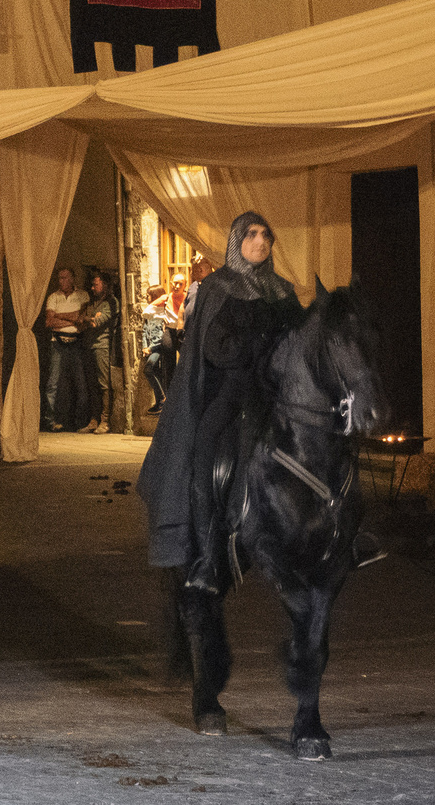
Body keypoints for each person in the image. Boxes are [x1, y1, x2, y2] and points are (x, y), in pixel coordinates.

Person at [139, 212, 302, 595]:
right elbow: (214, 348)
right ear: (236, 241)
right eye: (252, 234)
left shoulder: (284, 292)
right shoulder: (216, 289)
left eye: (266, 235)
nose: (261, 241)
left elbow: (299, 340)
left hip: (275, 391)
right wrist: (259, 343)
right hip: (229, 389)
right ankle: (208, 557)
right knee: (202, 454)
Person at [41, 267, 89, 432]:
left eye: (65, 278)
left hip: (76, 342)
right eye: (60, 278)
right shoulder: (53, 297)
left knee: (80, 381)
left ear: (73, 279)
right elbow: (49, 322)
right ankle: (50, 420)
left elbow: (82, 320)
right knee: (53, 382)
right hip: (57, 342)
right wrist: (73, 320)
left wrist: (60, 316)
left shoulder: (82, 295)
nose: (62, 281)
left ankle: (80, 421)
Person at [80, 272, 120, 434]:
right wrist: (86, 319)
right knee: (92, 384)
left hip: (102, 346)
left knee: (104, 384)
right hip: (89, 346)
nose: (92, 288)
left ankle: (105, 420)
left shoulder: (111, 303)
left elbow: (97, 322)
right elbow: (80, 320)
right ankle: (93, 419)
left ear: (104, 285)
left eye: (96, 284)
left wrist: (87, 319)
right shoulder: (92, 303)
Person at [140, 284, 173, 415]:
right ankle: (160, 401)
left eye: (149, 295)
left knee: (149, 369)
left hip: (158, 348)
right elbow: (144, 330)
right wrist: (144, 346)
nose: (147, 298)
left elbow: (161, 335)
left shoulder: (162, 313)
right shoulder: (150, 313)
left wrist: (151, 348)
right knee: (156, 372)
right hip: (149, 348)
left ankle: (163, 398)